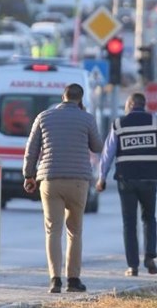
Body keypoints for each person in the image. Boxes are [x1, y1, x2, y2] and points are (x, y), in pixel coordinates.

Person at [22, 83, 102, 294]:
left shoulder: (44, 117)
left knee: (53, 230)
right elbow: (98, 147)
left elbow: (31, 150)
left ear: (63, 97)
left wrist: (29, 175)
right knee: (75, 231)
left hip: (50, 179)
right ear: (81, 99)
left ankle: (54, 280)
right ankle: (73, 280)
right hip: (78, 180)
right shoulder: (87, 118)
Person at [97, 93, 157, 277]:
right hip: (149, 177)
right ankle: (149, 256)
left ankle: (132, 266)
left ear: (131, 104)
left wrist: (102, 177)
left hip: (127, 178)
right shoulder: (154, 120)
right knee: (149, 218)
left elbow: (108, 152)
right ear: (144, 105)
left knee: (129, 222)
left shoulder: (119, 124)